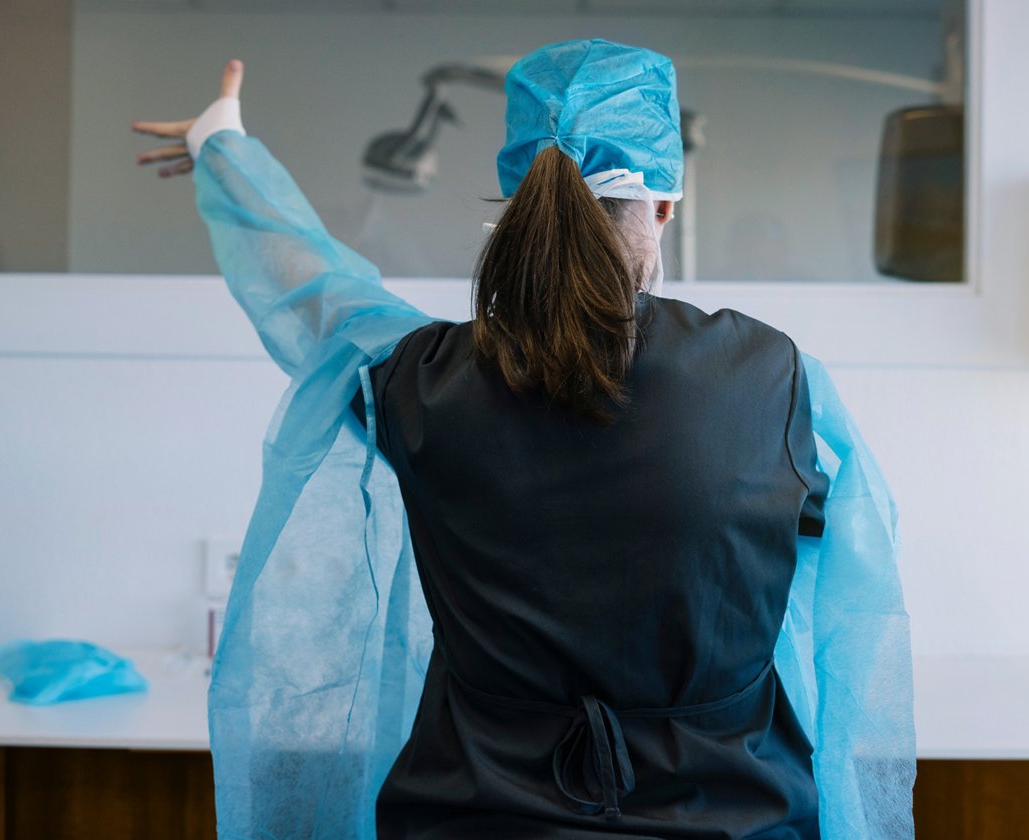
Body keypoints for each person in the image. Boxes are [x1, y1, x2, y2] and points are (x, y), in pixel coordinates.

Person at [135, 40, 914, 840]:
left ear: (517, 199)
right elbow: (841, 556)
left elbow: (319, 299)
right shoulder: (769, 378)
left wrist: (222, 148)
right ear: (668, 202)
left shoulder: (424, 383)